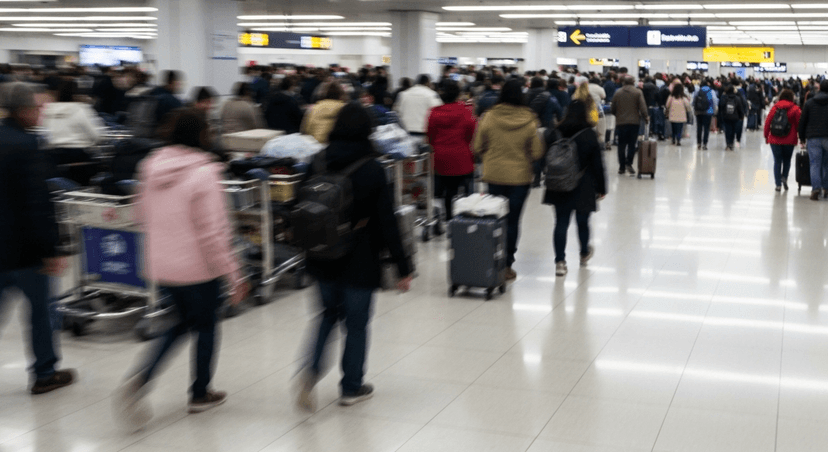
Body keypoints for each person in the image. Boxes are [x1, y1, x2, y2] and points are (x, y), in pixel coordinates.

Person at [114, 109, 248, 427]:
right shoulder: (206, 172)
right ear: (202, 135)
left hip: (161, 266)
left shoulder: (150, 165)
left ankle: (143, 378)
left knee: (182, 322)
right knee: (204, 327)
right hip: (198, 268)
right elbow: (213, 232)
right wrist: (234, 273)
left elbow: (139, 214)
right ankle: (199, 392)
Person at [297, 103, 413, 411]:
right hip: (359, 257)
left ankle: (308, 374)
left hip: (321, 256)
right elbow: (388, 221)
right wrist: (404, 267)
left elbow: (300, 206)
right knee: (357, 324)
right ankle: (351, 387)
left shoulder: (316, 160)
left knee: (326, 316)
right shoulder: (372, 168)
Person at [0, 82, 75, 395]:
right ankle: (44, 373)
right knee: (42, 313)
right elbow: (38, 203)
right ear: (24, 111)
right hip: (27, 251)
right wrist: (52, 249)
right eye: (38, 108)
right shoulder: (30, 144)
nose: (42, 112)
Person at [473, 79, 544, 281]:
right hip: (520, 178)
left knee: (494, 218)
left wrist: (490, 154)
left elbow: (477, 147)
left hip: (494, 174)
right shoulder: (530, 119)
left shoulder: (489, 116)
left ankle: (490, 261)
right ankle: (506, 265)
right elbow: (537, 151)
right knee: (512, 221)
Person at [543, 100, 607, 277]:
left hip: (558, 184)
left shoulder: (555, 132)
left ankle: (560, 262)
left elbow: (546, 158)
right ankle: (584, 253)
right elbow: (597, 165)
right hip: (584, 184)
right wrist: (602, 187)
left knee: (561, 223)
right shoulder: (589, 134)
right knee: (582, 221)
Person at [426, 79, 477, 220]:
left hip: (440, 156)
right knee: (465, 187)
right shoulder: (465, 111)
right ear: (458, 94)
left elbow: (430, 135)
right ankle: (466, 217)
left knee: (446, 189)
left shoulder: (434, 112)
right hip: (461, 156)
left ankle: (447, 217)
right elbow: (471, 132)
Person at [41, 79, 106, 185]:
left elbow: (44, 133)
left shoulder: (48, 109)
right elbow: (98, 136)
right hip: (79, 158)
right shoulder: (81, 109)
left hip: (53, 157)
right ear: (77, 94)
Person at [764, 89, 801, 192]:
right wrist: (801, 137)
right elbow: (799, 124)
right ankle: (784, 177)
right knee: (787, 160)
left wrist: (766, 136)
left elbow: (767, 122)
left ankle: (778, 184)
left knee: (777, 160)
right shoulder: (795, 109)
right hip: (790, 140)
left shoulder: (775, 107)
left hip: (775, 139)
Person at [610, 76, 648, 176]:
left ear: (623, 82)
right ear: (633, 82)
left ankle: (621, 167)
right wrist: (646, 117)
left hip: (620, 123)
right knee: (632, 144)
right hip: (634, 123)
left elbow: (612, 108)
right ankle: (629, 163)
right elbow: (643, 107)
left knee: (621, 145)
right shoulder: (638, 92)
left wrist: (618, 115)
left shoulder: (617, 92)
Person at [798, 79, 828, 200]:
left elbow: (802, 121)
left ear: (819, 87)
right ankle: (826, 189)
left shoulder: (810, 102)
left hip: (813, 137)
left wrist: (802, 137)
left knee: (815, 164)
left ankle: (815, 189)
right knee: (827, 164)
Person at [692, 80, 718, 151]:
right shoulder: (711, 91)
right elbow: (715, 101)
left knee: (699, 128)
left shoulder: (697, 91)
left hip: (699, 112)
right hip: (708, 112)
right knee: (706, 128)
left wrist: (695, 109)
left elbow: (693, 101)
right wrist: (714, 111)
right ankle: (705, 144)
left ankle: (699, 143)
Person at [719, 85, 746, 151]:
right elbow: (740, 108)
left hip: (726, 117)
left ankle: (728, 144)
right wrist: (741, 116)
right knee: (733, 131)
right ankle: (732, 144)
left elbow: (721, 107)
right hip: (735, 117)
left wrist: (721, 116)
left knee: (727, 131)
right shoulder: (737, 98)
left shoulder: (724, 98)